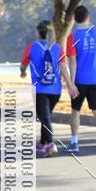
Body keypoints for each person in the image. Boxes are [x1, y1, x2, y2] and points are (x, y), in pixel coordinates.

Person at [20, 20, 77, 157]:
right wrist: (70, 85)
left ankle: (50, 144)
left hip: (40, 90)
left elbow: (23, 64)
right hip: (55, 91)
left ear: (39, 32)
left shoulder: (32, 47)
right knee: (45, 116)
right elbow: (63, 68)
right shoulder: (57, 48)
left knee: (44, 117)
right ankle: (42, 142)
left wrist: (22, 72)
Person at [66, 5, 96, 154]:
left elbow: (72, 62)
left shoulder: (72, 37)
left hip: (80, 81)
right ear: (88, 16)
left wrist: (71, 84)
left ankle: (74, 142)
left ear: (74, 19)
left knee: (75, 111)